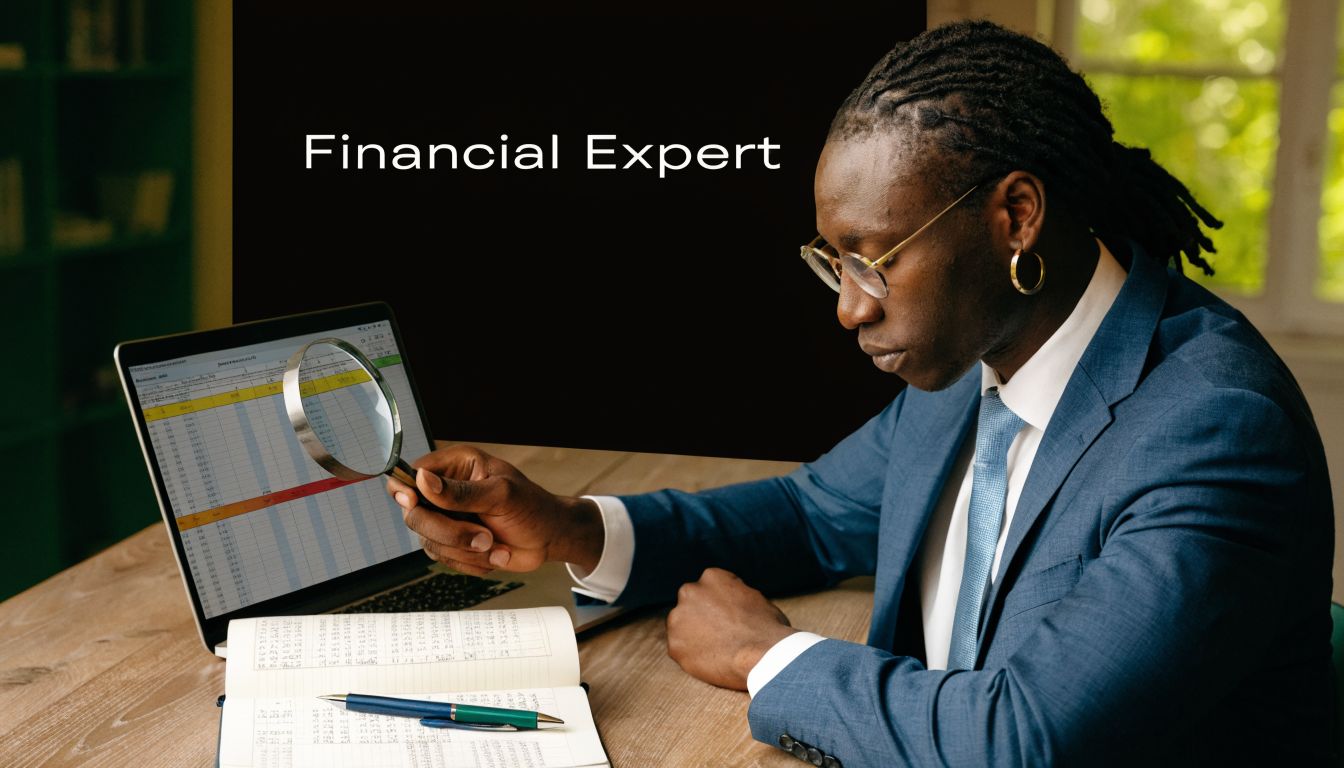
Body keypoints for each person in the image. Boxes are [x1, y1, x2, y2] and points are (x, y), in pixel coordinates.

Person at [386, 20, 1333, 766]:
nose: (848, 309)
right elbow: (811, 514)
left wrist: (769, 657)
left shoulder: (1210, 429)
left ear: (1014, 216)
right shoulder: (973, 355)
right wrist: (569, 527)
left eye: (872, 262)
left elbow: (1024, 740)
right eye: (830, 263)